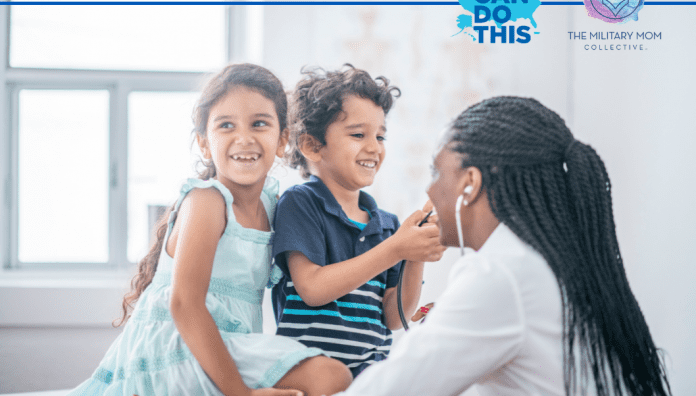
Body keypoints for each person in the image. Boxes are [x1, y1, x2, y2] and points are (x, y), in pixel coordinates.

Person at [335, 96, 671, 396]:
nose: (430, 190)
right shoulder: (543, 261)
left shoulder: (501, 274)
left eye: (436, 172)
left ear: (470, 184)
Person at [68, 64, 352, 396]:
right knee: (327, 376)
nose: (244, 138)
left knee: (332, 376)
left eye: (259, 124)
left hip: (230, 347)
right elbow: (185, 305)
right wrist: (239, 394)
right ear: (204, 144)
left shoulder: (273, 206)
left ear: (283, 139)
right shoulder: (207, 201)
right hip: (178, 350)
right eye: (226, 125)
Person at [271, 65, 446, 377]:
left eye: (380, 136)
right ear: (312, 146)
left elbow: (394, 317)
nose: (373, 147)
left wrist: (413, 254)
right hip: (313, 375)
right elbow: (312, 287)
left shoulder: (388, 225)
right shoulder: (301, 203)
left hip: (369, 378)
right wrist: (395, 249)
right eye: (357, 134)